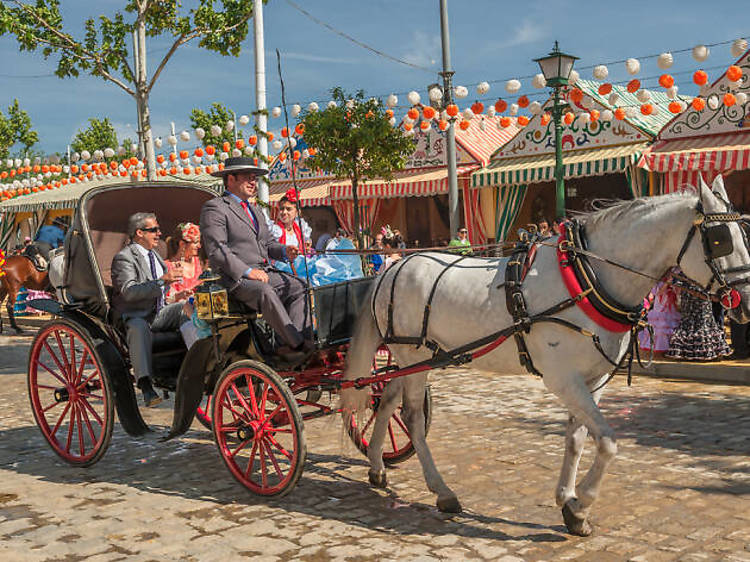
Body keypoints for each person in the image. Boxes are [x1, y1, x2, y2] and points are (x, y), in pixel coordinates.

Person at [200, 157, 311, 360]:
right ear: (230, 179)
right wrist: (248, 272)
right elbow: (218, 250)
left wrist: (285, 251)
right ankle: (298, 344)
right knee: (265, 291)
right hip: (235, 280)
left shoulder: (255, 210)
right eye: (248, 178)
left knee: (300, 285)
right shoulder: (215, 207)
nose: (254, 182)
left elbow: (268, 245)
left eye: (255, 178)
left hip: (265, 272)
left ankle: (287, 343)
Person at [110, 213, 186, 407]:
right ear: (139, 233)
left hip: (159, 311)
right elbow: (129, 291)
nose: (159, 234)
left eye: (158, 230)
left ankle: (196, 358)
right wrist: (162, 281)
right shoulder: (124, 258)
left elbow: (161, 291)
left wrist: (174, 296)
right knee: (138, 327)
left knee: (189, 307)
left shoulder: (155, 256)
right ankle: (145, 384)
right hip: (135, 315)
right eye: (154, 230)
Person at [165, 222, 205, 349]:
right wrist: (181, 295)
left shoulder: (201, 263)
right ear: (182, 244)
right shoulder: (168, 267)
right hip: (183, 312)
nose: (199, 246)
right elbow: (167, 299)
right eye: (195, 242)